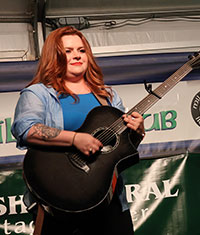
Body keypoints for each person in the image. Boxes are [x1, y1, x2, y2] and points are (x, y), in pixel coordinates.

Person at [11, 26, 145, 235]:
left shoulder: (107, 95)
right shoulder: (39, 93)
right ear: (54, 56)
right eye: (69, 51)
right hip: (59, 199)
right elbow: (26, 129)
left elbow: (122, 146)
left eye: (82, 51)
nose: (77, 56)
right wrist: (74, 139)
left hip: (108, 200)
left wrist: (138, 131)